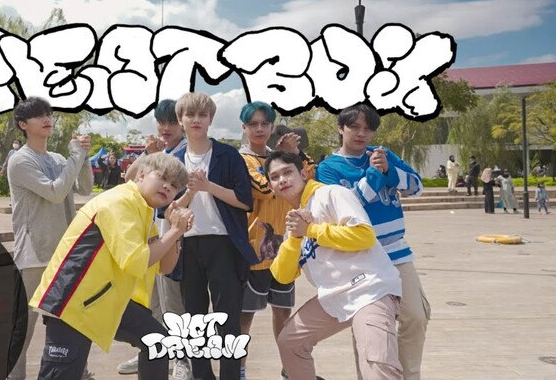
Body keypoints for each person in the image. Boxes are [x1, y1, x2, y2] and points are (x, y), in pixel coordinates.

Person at [30, 153, 194, 380]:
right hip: (73, 301)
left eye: (175, 185)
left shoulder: (143, 210)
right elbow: (137, 261)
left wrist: (176, 230)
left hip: (105, 300)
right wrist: (174, 230)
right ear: (141, 175)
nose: (168, 186)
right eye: (163, 177)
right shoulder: (120, 202)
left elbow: (164, 266)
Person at [265, 150, 403, 380]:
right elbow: (282, 275)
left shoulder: (331, 194)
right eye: (275, 177)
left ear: (303, 173)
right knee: (290, 342)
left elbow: (364, 236)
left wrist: (311, 230)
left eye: (287, 172)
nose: (282, 180)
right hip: (334, 297)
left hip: (371, 289)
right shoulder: (294, 222)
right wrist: (297, 238)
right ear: (271, 187)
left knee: (376, 366)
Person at [317, 103, 429, 380]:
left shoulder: (383, 155)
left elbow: (416, 187)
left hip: (396, 253)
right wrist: (376, 174)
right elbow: (349, 205)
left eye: (368, 129)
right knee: (371, 328)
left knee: (416, 316)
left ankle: (409, 375)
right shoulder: (328, 169)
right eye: (354, 127)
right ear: (340, 128)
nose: (361, 133)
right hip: (361, 260)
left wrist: (389, 170)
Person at [168, 91, 256, 380]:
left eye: (202, 115)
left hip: (224, 244)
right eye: (190, 115)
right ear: (180, 119)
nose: (196, 120)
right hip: (187, 246)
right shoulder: (173, 160)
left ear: (211, 119)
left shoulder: (228, 155)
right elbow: (166, 210)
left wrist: (209, 187)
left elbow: (245, 201)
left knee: (228, 319)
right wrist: (190, 193)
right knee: (195, 319)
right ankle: (202, 375)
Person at [6, 97, 94, 380]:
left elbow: (85, 188)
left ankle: (76, 372)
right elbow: (55, 192)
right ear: (23, 125)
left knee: (70, 319)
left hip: (64, 252)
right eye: (38, 115)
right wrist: (76, 157)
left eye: (48, 114)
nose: (47, 119)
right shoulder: (20, 160)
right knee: (24, 326)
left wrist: (83, 157)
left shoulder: (57, 159)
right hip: (34, 254)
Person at [238, 101, 316, 380]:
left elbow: (309, 174)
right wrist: (285, 159)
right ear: (244, 128)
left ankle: (289, 369)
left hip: (286, 247)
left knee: (284, 312)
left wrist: (295, 153)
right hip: (255, 250)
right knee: (245, 316)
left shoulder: (280, 158)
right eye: (253, 124)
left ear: (272, 127)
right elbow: (264, 188)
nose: (259, 129)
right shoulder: (241, 160)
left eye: (265, 124)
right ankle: (239, 369)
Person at [118, 99, 191, 380]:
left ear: (182, 123)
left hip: (173, 237)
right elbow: (129, 177)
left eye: (171, 122)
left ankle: (182, 360)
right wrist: (149, 153)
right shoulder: (161, 152)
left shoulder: (186, 151)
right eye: (161, 122)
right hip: (150, 236)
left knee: (174, 304)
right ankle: (150, 350)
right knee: (152, 303)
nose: (165, 127)